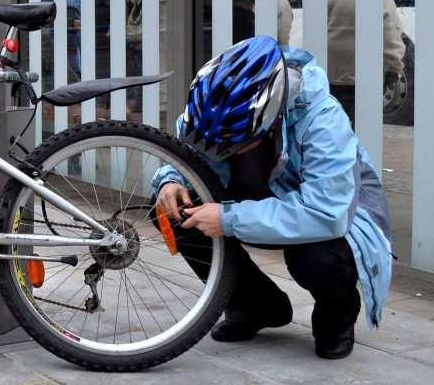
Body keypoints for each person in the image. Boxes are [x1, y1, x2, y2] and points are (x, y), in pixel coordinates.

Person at [152, 36, 392, 360]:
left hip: (334, 216)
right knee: (174, 213)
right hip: (256, 200)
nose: (220, 151)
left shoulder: (323, 120)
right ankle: (256, 307)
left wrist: (228, 219)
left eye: (232, 144)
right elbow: (184, 150)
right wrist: (170, 180)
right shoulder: (215, 106)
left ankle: (336, 318)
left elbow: (325, 213)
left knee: (318, 259)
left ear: (269, 118)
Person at [326, 0, 405, 126]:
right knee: (365, 128)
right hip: (367, 77)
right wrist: (394, 68)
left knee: (337, 126)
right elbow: (390, 34)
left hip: (333, 76)